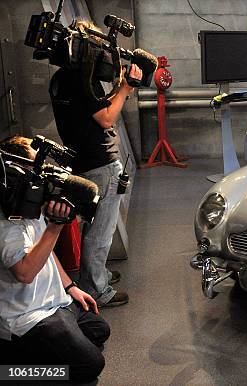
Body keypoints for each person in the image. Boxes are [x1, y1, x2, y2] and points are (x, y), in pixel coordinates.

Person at [0, 136, 110, 382]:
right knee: (90, 366)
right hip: (27, 317)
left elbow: (46, 251)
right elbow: (25, 273)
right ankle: (9, 372)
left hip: (54, 302)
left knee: (99, 330)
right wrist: (55, 228)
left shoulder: (29, 202)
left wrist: (71, 287)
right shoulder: (6, 222)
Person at [49, 20, 142, 307]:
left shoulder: (62, 78)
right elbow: (105, 118)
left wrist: (120, 88)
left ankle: (95, 274)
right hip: (100, 162)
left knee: (94, 225)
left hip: (81, 160)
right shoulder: (83, 79)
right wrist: (125, 90)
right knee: (101, 231)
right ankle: (97, 289)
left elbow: (96, 108)